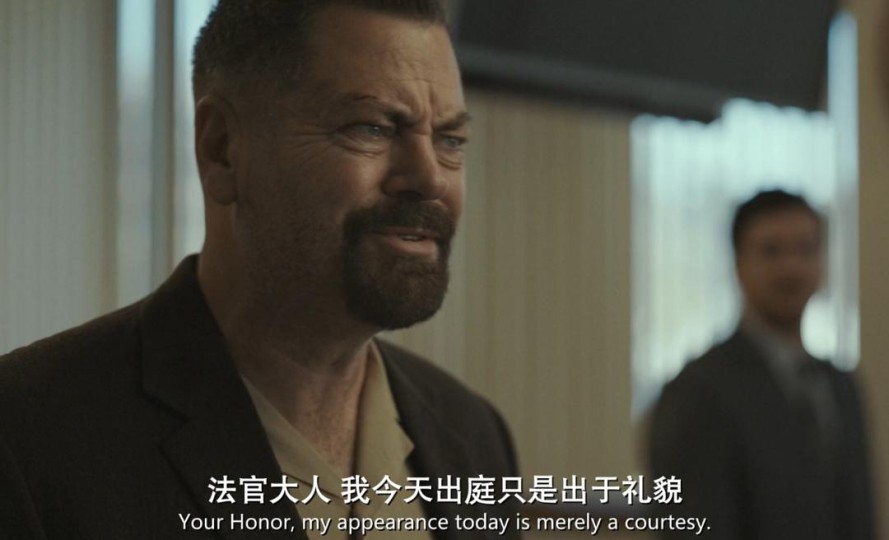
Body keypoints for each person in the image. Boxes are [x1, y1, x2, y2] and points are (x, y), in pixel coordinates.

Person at [0, 1, 521, 538]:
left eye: (450, 140)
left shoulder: (474, 436)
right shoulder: (27, 439)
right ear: (222, 149)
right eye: (371, 128)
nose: (431, 179)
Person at [648, 190, 874, 540]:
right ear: (739, 265)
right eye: (771, 251)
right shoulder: (698, 391)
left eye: (805, 249)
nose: (791, 267)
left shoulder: (841, 386)